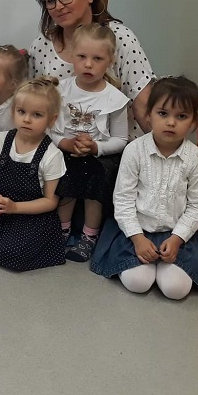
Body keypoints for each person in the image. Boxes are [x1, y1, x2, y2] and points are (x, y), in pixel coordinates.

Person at [91, 77, 198, 299]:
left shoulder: (196, 158)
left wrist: (177, 238)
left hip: (176, 233)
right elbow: (123, 200)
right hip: (136, 230)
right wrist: (137, 238)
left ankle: (168, 263)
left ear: (193, 123)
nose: (171, 122)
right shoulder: (134, 150)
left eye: (181, 116)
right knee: (138, 282)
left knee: (176, 289)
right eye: (163, 113)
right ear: (148, 115)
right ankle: (143, 259)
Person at [29, 0, 154, 132]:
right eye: (50, 1)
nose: (58, 6)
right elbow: (33, 104)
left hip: (116, 144)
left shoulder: (120, 37)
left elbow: (143, 106)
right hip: (57, 144)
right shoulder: (41, 44)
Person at [0, 78, 67, 271]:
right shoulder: (1, 140)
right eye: (21, 112)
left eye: (37, 115)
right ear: (13, 112)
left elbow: (50, 201)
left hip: (31, 215)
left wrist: (15, 207)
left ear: (52, 119)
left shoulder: (52, 155)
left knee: (17, 253)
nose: (27, 119)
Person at [50, 24, 130, 262]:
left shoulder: (115, 99)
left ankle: (89, 236)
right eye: (82, 57)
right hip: (64, 151)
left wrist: (96, 147)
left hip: (98, 158)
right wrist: (65, 143)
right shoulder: (60, 90)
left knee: (95, 177)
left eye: (97, 59)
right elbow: (49, 129)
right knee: (65, 173)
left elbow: (121, 139)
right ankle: (61, 230)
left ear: (110, 61)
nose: (88, 64)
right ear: (72, 55)